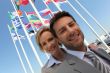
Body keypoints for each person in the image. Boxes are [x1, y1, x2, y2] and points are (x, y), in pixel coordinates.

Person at [36, 27, 101, 73]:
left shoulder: (77, 51)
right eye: (44, 44)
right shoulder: (46, 70)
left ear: (57, 38)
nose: (49, 45)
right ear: (42, 48)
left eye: (50, 39)